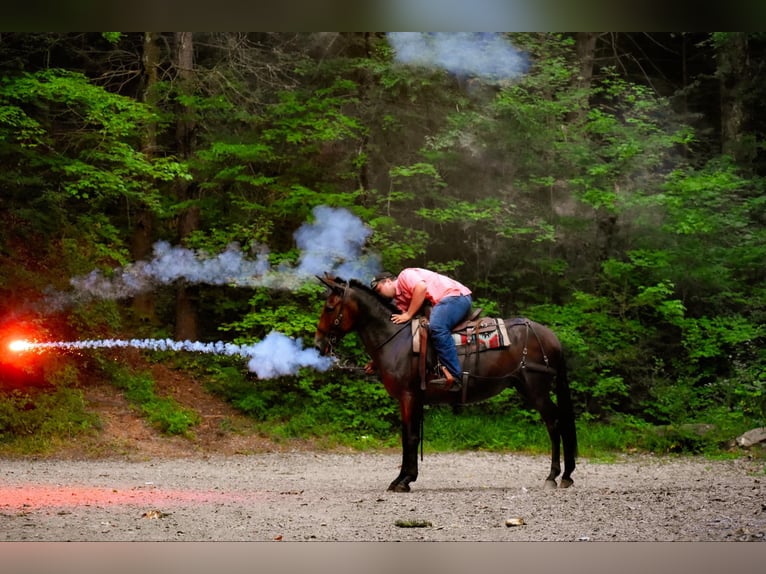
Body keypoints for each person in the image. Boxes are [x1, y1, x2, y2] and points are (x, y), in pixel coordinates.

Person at [370, 268, 472, 387]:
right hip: (444, 303)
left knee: (437, 326)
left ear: (387, 281)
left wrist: (408, 314)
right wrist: (376, 361)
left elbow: (421, 287)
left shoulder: (405, 275)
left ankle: (455, 377)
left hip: (455, 296)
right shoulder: (400, 300)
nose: (379, 294)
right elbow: (399, 334)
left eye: (378, 290)